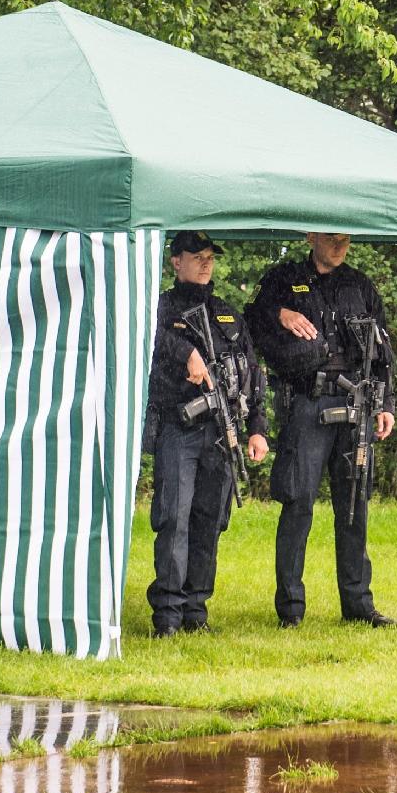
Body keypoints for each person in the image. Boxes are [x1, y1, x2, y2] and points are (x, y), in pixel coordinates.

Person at [247, 232, 396, 628]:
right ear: (311, 236)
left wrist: (386, 405)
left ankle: (358, 605)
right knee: (298, 504)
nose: (339, 246)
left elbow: (383, 351)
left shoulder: (360, 285)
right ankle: (291, 609)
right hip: (308, 404)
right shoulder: (283, 279)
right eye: (331, 238)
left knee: (354, 506)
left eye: (345, 239)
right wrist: (280, 313)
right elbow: (248, 324)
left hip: (356, 404)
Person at [145, 230, 270, 637]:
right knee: (174, 518)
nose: (205, 263)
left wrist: (257, 430)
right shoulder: (158, 307)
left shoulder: (227, 313)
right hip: (178, 428)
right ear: (175, 261)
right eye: (196, 256)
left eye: (210, 257)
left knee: (210, 521)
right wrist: (186, 353)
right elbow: (142, 335)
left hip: (222, 431)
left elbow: (252, 373)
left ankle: (195, 612)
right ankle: (168, 615)